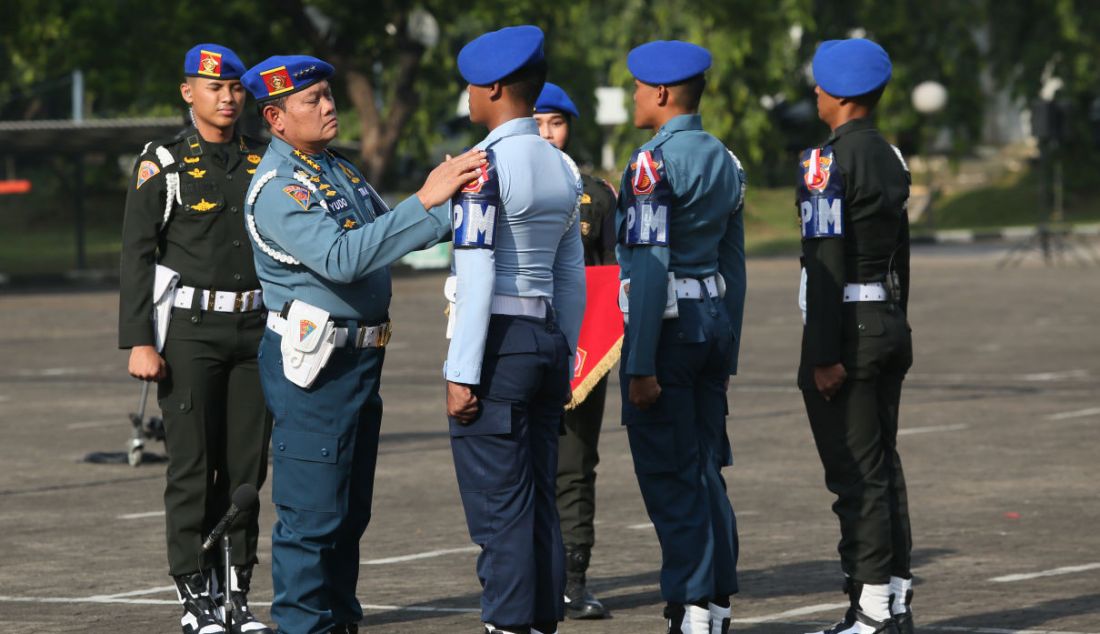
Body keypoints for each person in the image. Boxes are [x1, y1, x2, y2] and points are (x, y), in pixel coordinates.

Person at [240, 54, 486, 634]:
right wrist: (428, 198)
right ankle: (305, 625)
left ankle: (339, 622)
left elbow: (387, 231)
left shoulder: (336, 169)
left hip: (358, 361)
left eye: (329, 94)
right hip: (315, 369)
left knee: (349, 513)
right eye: (313, 100)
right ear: (276, 117)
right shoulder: (279, 188)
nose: (329, 106)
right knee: (311, 517)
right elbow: (344, 258)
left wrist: (457, 199)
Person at [118, 43, 273, 634]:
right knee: (192, 464)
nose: (228, 98)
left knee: (246, 469)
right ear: (189, 94)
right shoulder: (165, 161)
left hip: (256, 329)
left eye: (236, 88)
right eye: (215, 88)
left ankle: (235, 590)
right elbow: (137, 253)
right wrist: (139, 340)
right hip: (190, 332)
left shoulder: (263, 161)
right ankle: (192, 593)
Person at [443, 26, 586, 634]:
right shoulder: (562, 166)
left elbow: (476, 272)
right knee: (540, 506)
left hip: (497, 342)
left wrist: (460, 370)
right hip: (548, 337)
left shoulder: (481, 168)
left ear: (494, 88)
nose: (467, 98)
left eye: (471, 87)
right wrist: (568, 356)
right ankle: (541, 622)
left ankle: (506, 624)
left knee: (500, 509)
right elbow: (572, 275)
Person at [615, 40, 747, 634]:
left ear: (662, 94)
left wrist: (640, 361)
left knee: (672, 476)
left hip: (667, 332)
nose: (635, 96)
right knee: (704, 467)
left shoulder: (651, 163)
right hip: (713, 322)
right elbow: (734, 260)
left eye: (640, 87)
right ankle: (715, 602)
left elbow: (648, 264)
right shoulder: (726, 159)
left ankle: (691, 609)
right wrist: (729, 345)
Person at [797, 38, 914, 634]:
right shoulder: (892, 157)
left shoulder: (827, 161)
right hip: (887, 319)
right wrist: (899, 320)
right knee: (884, 469)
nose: (814, 93)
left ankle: (869, 613)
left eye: (820, 84)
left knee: (855, 476)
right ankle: (893, 599)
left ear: (840, 95)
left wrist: (823, 354)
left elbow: (825, 262)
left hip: (847, 330)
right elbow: (902, 255)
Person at [532, 81, 615, 620]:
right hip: (516, 342)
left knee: (575, 463)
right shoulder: (493, 183)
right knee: (517, 464)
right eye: (537, 121)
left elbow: (609, 283)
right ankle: (527, 574)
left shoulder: (598, 196)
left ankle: (573, 578)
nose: (545, 133)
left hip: (582, 348)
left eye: (555, 123)